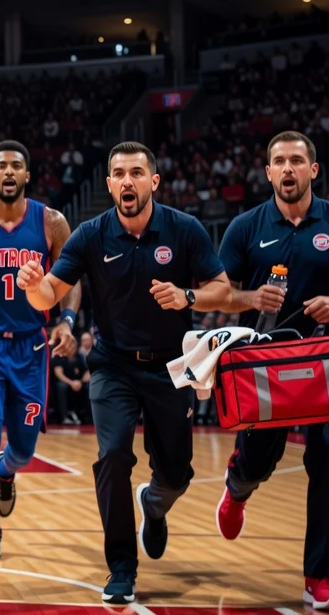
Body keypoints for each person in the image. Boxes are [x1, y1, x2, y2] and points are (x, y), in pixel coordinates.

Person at [18, 141, 229, 605]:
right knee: (112, 456)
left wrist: (188, 297)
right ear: (110, 183)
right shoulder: (91, 234)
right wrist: (35, 288)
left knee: (176, 473)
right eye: (118, 173)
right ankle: (121, 567)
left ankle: (154, 505)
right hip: (112, 365)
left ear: (153, 181)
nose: (127, 180)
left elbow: (222, 287)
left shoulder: (185, 229)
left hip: (172, 367)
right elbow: (50, 294)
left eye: (136, 172)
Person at [209, 131, 329, 612]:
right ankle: (237, 486)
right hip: (263, 363)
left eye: (296, 161)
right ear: (267, 173)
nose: (288, 169)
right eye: (279, 162)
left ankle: (318, 579)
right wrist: (250, 298)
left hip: (325, 361)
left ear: (313, 170)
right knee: (258, 462)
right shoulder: (245, 227)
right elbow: (220, 292)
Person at [0, 139, 79, 560]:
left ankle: (7, 473)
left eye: (17, 166)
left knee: (23, 449)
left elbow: (71, 278)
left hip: (31, 346)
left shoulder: (52, 223)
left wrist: (67, 320)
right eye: (2, 166)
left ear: (28, 175)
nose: (9, 173)